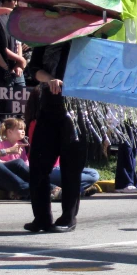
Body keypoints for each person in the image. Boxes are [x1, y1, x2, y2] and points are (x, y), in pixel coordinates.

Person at [24, 42, 86, 232]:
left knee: (71, 167)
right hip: (48, 108)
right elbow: (32, 70)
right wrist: (50, 78)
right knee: (37, 165)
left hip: (78, 112)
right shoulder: (46, 40)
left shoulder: (85, 40)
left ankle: (68, 218)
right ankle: (41, 218)